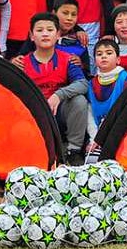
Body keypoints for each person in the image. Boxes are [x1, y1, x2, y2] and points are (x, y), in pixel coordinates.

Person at [12, 12, 89, 163]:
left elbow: (83, 84)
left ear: (58, 34)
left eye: (50, 30)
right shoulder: (22, 63)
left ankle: (73, 151)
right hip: (34, 115)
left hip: (59, 113)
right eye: (39, 30)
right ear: (31, 36)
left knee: (79, 101)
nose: (45, 34)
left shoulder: (68, 59)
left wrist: (58, 95)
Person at [84, 37, 127, 164]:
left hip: (122, 133)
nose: (104, 56)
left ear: (118, 60)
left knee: (122, 163)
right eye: (99, 54)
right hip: (98, 136)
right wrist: (94, 139)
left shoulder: (125, 79)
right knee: (91, 161)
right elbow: (90, 114)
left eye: (109, 53)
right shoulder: (91, 84)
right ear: (95, 60)